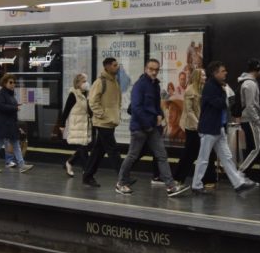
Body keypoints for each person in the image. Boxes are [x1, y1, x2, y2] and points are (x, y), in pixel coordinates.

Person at [115, 59, 190, 197]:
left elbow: (156, 105)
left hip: (152, 127)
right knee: (132, 155)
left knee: (161, 155)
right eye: (151, 69)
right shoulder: (140, 85)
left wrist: (160, 115)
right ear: (145, 69)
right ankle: (121, 183)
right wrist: (147, 125)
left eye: (156, 69)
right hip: (140, 128)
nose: (154, 72)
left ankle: (171, 186)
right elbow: (136, 108)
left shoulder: (155, 85)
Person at [192, 61, 258, 194]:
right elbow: (219, 104)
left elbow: (225, 103)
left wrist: (226, 94)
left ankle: (238, 183)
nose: (226, 73)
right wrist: (227, 95)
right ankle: (196, 185)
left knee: (227, 157)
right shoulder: (210, 86)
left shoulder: (219, 86)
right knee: (203, 158)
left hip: (218, 128)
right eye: (223, 71)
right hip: (209, 128)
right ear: (215, 73)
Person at [82, 57, 122, 187]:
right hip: (103, 122)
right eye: (114, 65)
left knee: (98, 151)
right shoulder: (100, 82)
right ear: (107, 67)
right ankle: (124, 177)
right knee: (113, 150)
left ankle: (87, 176)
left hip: (110, 121)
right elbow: (92, 101)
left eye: (117, 65)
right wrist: (103, 115)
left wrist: (115, 114)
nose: (117, 67)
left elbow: (117, 100)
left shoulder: (114, 82)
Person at [174, 67, 216, 188]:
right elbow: (189, 111)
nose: (205, 77)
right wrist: (198, 124)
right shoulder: (190, 90)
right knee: (189, 153)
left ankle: (209, 179)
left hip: (204, 126)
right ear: (197, 76)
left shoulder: (204, 89)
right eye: (203, 75)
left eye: (205, 75)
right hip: (193, 127)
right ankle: (178, 178)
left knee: (208, 152)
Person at [0, 74, 33, 173]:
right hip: (2, 124)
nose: (13, 84)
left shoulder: (10, 94)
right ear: (5, 83)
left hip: (10, 124)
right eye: (11, 82)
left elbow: (8, 105)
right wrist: (15, 108)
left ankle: (22, 165)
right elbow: (0, 106)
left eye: (14, 82)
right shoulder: (1, 93)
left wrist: (15, 106)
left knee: (15, 144)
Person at [56, 73, 92, 178]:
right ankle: (86, 171)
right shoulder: (73, 94)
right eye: (84, 81)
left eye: (86, 81)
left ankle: (69, 163)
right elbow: (66, 110)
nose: (86, 83)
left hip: (86, 125)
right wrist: (62, 124)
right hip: (77, 125)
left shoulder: (87, 94)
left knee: (83, 147)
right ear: (78, 83)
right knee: (83, 147)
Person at [236, 59, 260, 172]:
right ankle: (240, 173)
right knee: (256, 147)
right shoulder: (250, 84)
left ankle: (242, 174)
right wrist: (257, 120)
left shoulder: (246, 82)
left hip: (247, 119)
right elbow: (250, 105)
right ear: (257, 69)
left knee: (251, 147)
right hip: (250, 120)